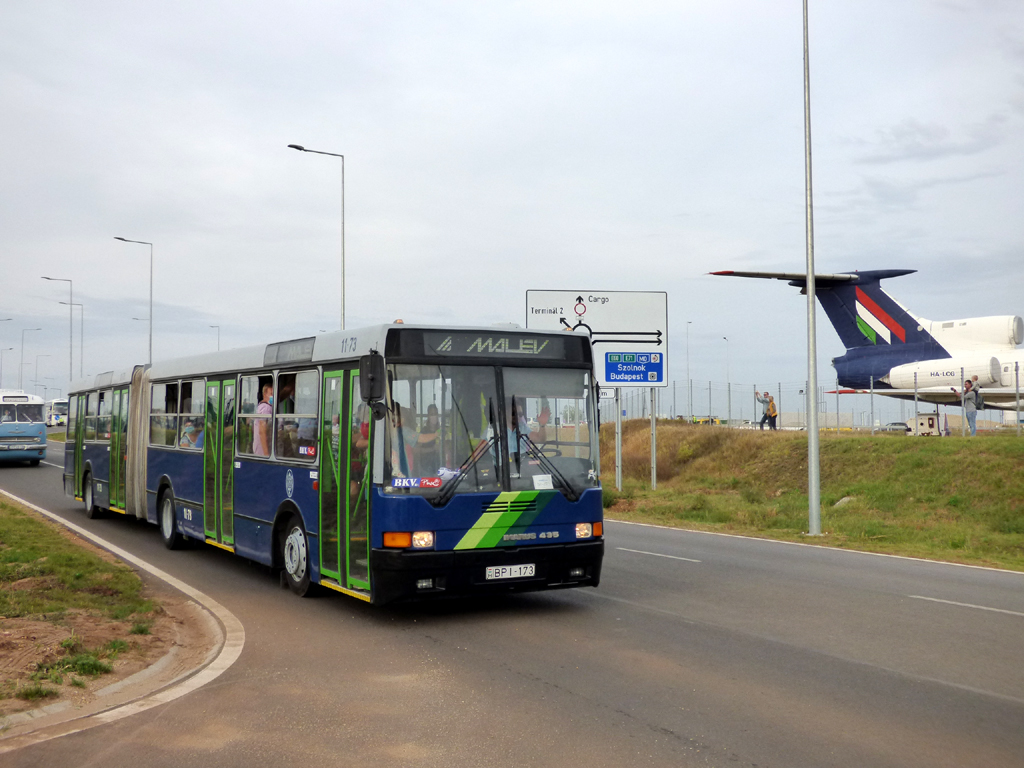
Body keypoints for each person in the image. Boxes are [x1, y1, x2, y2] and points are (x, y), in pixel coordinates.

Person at [253, 382, 273, 455]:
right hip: (263, 451)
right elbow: (262, 431)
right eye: (271, 394)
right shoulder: (266, 408)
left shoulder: (262, 406)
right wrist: (266, 454)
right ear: (265, 394)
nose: (273, 396)